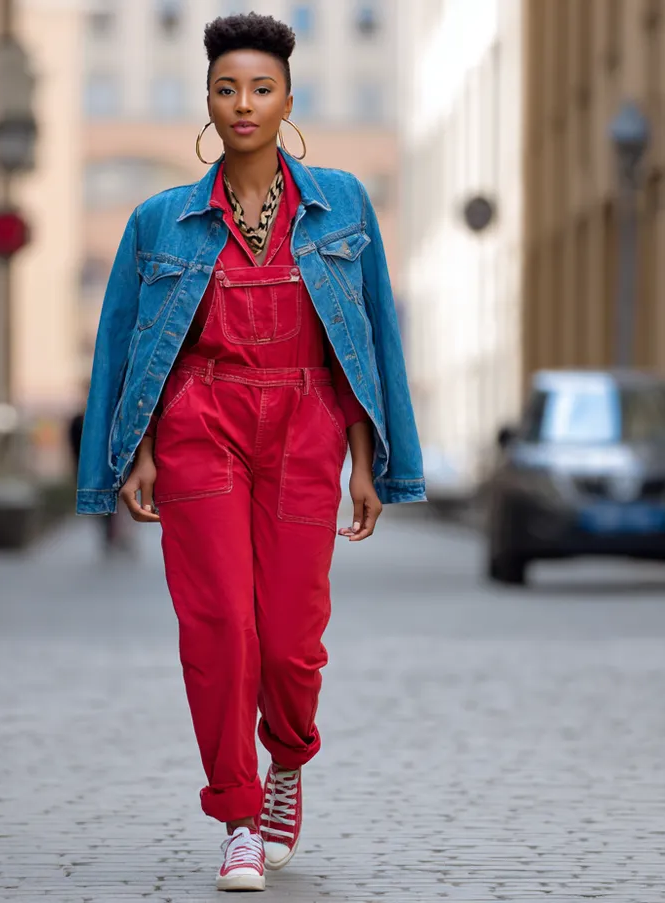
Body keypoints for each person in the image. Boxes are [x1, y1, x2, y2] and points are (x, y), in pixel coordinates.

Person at [75, 13, 425, 892]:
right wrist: (135, 450)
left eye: (260, 89)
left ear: (288, 101)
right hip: (202, 422)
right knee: (221, 624)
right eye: (227, 88)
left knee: (291, 641)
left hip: (307, 422)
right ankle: (237, 813)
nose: (243, 104)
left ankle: (288, 763)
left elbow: (371, 334)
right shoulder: (161, 220)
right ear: (207, 101)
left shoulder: (343, 203)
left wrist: (368, 455)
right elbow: (122, 341)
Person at [67, 392, 119, 554]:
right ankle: (107, 532)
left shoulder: (106, 419)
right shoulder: (77, 421)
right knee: (98, 504)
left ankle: (112, 533)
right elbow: (73, 448)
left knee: (111, 503)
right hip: (87, 470)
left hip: (107, 469)